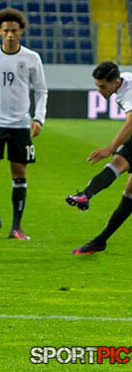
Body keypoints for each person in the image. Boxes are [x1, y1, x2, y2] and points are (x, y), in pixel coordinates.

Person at [0, 7, 48, 241]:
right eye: (6, 31)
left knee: (19, 173)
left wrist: (38, 118)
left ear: (21, 31)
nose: (11, 35)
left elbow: (41, 90)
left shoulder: (32, 58)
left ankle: (17, 226)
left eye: (14, 30)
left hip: (21, 124)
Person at [66, 61, 132, 255]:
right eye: (97, 86)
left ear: (116, 82)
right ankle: (85, 197)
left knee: (126, 187)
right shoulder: (125, 78)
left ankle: (99, 238)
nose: (100, 91)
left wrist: (109, 148)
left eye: (102, 86)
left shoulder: (126, 93)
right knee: (120, 171)